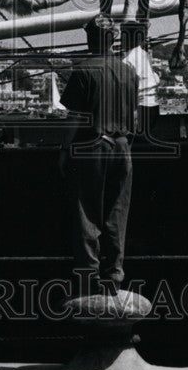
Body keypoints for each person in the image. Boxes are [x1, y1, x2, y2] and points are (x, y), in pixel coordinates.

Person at [59, 17, 138, 296]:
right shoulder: (129, 71)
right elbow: (134, 116)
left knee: (86, 212)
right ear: (114, 38)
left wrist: (65, 149)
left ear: (90, 38)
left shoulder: (83, 71)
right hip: (122, 146)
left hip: (92, 146)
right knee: (118, 212)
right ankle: (114, 275)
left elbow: (74, 118)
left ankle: (88, 276)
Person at [120, 21, 159, 139]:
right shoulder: (145, 55)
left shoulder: (126, 60)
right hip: (153, 106)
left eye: (122, 34)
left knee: (133, 141)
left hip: (138, 108)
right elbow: (155, 79)